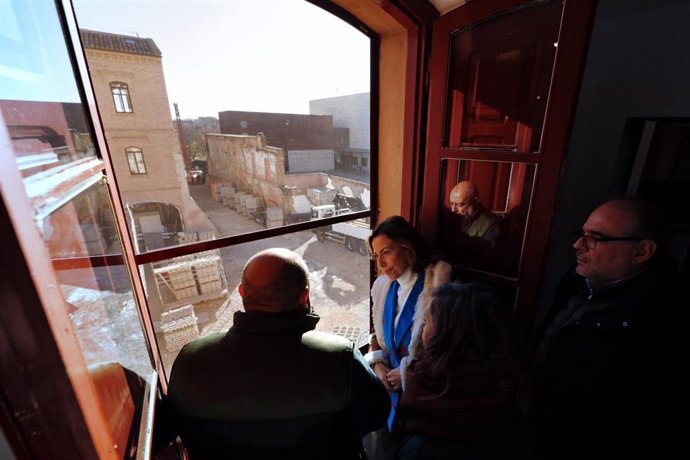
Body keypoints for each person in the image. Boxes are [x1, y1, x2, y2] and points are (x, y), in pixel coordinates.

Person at [162, 248, 390, 459]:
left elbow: (174, 426)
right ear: (305, 296)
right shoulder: (341, 357)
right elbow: (376, 415)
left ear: (241, 293)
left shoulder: (190, 359)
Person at [526, 198, 687, 460]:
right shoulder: (577, 281)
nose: (577, 245)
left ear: (642, 251)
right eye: (581, 234)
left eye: (594, 239)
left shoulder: (663, 325)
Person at [397, 282, 527, 460]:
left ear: (446, 338)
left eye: (426, 322)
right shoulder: (502, 390)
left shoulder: (423, 446)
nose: (416, 330)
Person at [364, 215, 452, 459]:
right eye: (376, 255)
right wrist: (379, 364)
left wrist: (408, 375)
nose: (380, 263)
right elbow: (377, 335)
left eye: (387, 252)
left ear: (407, 247)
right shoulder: (381, 287)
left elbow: (446, 349)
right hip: (386, 387)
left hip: (422, 393)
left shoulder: (437, 286)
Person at [449, 180, 501, 247]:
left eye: (460, 205)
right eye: (451, 204)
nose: (453, 210)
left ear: (475, 202)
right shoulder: (454, 218)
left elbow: (487, 254)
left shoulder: (491, 225)